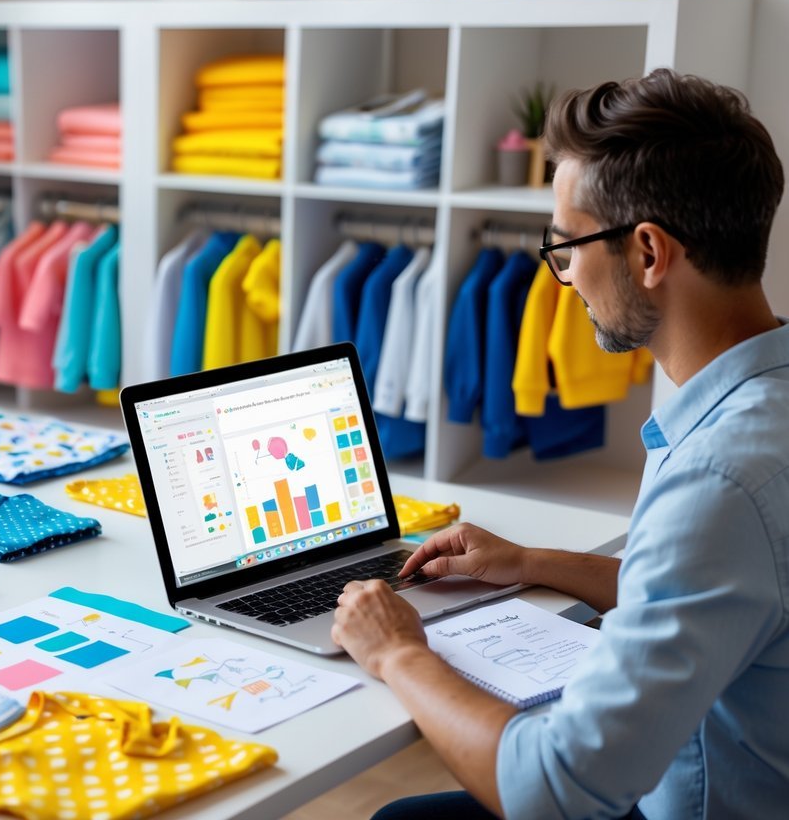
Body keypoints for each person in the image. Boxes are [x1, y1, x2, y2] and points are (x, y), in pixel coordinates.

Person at [333, 68, 789, 819]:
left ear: (647, 253)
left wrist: (396, 652)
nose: (564, 277)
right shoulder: (755, 411)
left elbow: (555, 790)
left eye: (566, 245)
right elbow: (734, 587)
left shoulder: (719, 479)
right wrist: (531, 563)